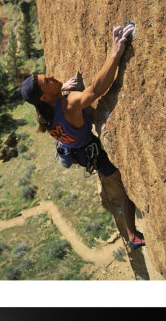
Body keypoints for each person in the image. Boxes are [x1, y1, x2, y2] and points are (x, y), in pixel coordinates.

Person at [21, 23, 145, 249]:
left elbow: (60, 105)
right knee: (124, 187)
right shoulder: (68, 105)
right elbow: (96, 90)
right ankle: (133, 236)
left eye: (45, 75)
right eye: (46, 81)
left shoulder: (46, 114)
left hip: (75, 150)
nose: (50, 76)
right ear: (43, 97)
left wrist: (61, 89)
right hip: (91, 153)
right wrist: (115, 51)